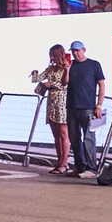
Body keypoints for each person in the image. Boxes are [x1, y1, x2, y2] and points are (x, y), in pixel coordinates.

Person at [66, 40, 106, 176]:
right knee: (74, 138)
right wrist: (66, 69)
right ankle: (80, 167)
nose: (75, 53)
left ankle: (92, 169)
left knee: (89, 138)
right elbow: (64, 82)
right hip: (72, 107)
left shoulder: (94, 65)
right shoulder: (70, 65)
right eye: (73, 51)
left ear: (84, 50)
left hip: (88, 107)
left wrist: (99, 105)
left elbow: (101, 85)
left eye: (77, 50)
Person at [34, 45, 72, 175]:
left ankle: (64, 163)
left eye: (54, 55)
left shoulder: (66, 67)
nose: (52, 57)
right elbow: (38, 78)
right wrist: (35, 74)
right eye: (51, 55)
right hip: (51, 101)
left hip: (62, 100)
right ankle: (60, 161)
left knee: (63, 133)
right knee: (56, 135)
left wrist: (53, 83)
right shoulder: (50, 68)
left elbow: (66, 84)